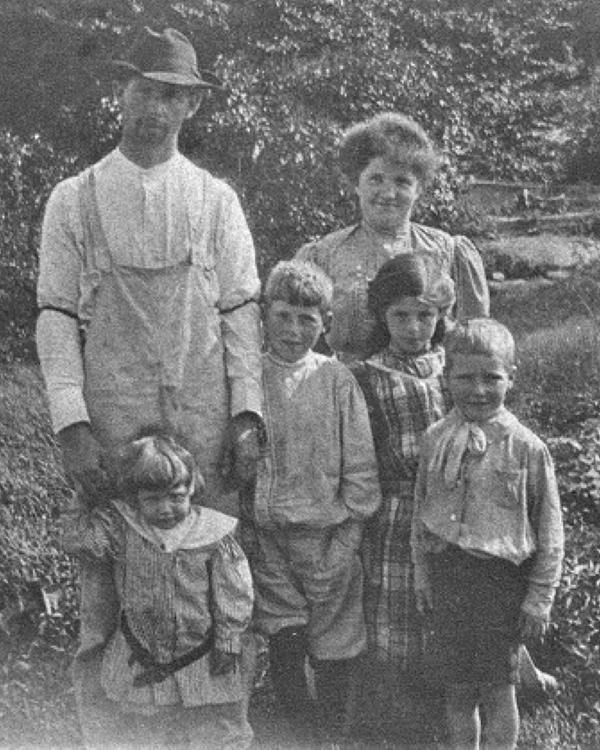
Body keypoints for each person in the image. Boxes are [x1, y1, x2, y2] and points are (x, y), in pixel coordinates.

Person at [36, 27, 263, 746]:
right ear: (121, 92)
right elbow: (54, 316)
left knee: (212, 590)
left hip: (201, 419)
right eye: (145, 92)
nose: (155, 110)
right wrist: (72, 425)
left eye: (172, 97)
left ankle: (219, 730)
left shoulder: (216, 199)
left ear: (191, 107)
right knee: (108, 591)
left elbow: (239, 312)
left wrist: (248, 412)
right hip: (111, 418)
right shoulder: (74, 200)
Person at [242, 259, 381, 737]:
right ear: (264, 315)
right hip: (268, 536)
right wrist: (248, 523)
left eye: (307, 319)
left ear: (325, 325)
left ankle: (335, 734)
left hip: (327, 537)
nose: (294, 329)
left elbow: (360, 462)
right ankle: (300, 735)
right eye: (283, 316)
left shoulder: (336, 379)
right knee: (285, 633)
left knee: (335, 641)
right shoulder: (248, 377)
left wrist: (348, 537)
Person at [411, 318, 564, 750]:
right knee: (458, 689)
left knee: (499, 689)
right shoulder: (435, 440)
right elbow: (421, 516)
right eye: (465, 377)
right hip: (449, 579)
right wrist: (423, 574)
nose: (478, 389)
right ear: (447, 377)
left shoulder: (527, 448)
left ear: (510, 378)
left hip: (501, 586)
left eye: (491, 378)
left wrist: (538, 598)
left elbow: (550, 532)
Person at [62, 433, 254, 748]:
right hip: (142, 651)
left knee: (209, 729)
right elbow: (80, 543)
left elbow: (234, 592)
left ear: (192, 488)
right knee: (146, 728)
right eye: (152, 500)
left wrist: (229, 639)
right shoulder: (124, 529)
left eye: (176, 497)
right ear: (136, 498)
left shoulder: (212, 535)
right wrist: (86, 499)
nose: (165, 509)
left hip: (199, 653)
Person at [349, 253, 454, 743]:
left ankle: (454, 692)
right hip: (395, 508)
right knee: (393, 604)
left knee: (451, 598)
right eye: (401, 316)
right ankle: (394, 705)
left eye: (425, 315)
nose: (414, 328)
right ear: (381, 316)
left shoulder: (454, 367)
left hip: (453, 509)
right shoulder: (367, 375)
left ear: (440, 315)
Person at [295, 111, 489, 361]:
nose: (388, 193)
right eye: (376, 179)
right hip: (348, 389)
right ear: (357, 183)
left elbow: (476, 342)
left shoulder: (447, 250)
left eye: (402, 182)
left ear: (418, 189)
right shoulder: (323, 255)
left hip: (429, 390)